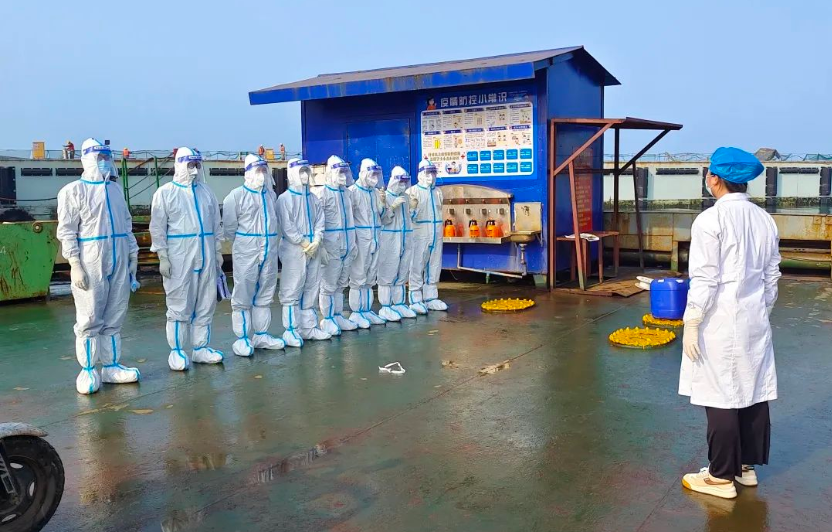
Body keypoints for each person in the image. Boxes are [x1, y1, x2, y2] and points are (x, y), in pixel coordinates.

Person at [680, 147, 781, 500]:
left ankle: (720, 476)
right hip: (754, 318)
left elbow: (705, 278)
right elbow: (772, 275)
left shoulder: (710, 220)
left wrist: (693, 320)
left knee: (720, 393)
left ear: (714, 179)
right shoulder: (765, 219)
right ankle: (745, 466)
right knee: (752, 390)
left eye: (708, 173)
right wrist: (762, 310)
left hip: (719, 320)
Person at [56, 138, 141, 394]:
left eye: (106, 157)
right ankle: (88, 369)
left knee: (115, 314)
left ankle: (111, 367)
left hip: (119, 258)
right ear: (87, 159)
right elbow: (67, 231)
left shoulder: (115, 190)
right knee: (90, 316)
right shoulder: (73, 191)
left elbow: (126, 224)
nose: (104, 162)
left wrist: (133, 255)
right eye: (99, 158)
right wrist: (74, 263)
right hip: (91, 260)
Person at [150, 147, 225, 371]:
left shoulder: (206, 192)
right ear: (180, 165)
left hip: (206, 255)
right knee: (179, 303)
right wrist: (162, 255)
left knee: (206, 302)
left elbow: (216, 224)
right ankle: (177, 351)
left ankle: (201, 348)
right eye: (190, 165)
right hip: (180, 257)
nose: (194, 169)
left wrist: (218, 251)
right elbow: (157, 228)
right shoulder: (165, 193)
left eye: (197, 165)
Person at [223, 154, 285, 357]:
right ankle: (242, 338)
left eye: (264, 170)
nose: (262, 175)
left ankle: (261, 335)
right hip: (247, 251)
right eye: (258, 171)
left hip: (269, 250)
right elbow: (229, 228)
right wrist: (246, 243)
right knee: (243, 293)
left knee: (265, 291)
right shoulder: (236, 196)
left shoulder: (270, 195)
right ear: (248, 172)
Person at [277, 158, 331, 346]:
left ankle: (308, 327)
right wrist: (303, 242)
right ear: (292, 174)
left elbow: (320, 221)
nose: (305, 176)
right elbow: (287, 226)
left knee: (311, 286)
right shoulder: (285, 199)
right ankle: (291, 330)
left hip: (313, 249)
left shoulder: (313, 199)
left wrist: (316, 240)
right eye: (301, 172)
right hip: (294, 250)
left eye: (306, 172)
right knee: (292, 288)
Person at [314, 156, 358, 336]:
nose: (343, 176)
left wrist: (353, 244)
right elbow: (317, 222)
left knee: (341, 283)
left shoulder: (347, 193)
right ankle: (327, 318)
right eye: (340, 172)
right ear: (331, 172)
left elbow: (352, 218)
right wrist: (321, 246)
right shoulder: (322, 194)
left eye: (345, 172)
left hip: (347, 244)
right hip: (331, 245)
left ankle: (338, 316)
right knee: (328, 284)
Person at [348, 158, 386, 328]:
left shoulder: (375, 193)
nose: (375, 179)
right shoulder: (353, 192)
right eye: (372, 175)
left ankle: (366, 310)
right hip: (361, 238)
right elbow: (348, 218)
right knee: (358, 275)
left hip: (375, 237)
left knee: (370, 276)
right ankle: (356, 312)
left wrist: (383, 204)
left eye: (377, 175)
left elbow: (381, 216)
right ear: (363, 174)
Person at [407, 159, 448, 314]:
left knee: (434, 263)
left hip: (436, 233)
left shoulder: (438, 192)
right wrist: (412, 209)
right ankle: (415, 298)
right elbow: (407, 217)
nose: (431, 177)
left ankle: (431, 297)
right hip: (419, 234)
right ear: (420, 174)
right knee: (417, 264)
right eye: (427, 173)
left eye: (433, 173)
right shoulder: (412, 192)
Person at [378, 166, 416, 321]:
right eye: (400, 182)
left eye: (405, 182)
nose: (403, 185)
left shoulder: (406, 197)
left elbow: (409, 219)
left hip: (405, 238)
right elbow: (383, 219)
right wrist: (391, 207)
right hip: (390, 239)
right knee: (388, 271)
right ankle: (385, 307)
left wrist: (413, 208)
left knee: (402, 271)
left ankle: (399, 303)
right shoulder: (385, 196)